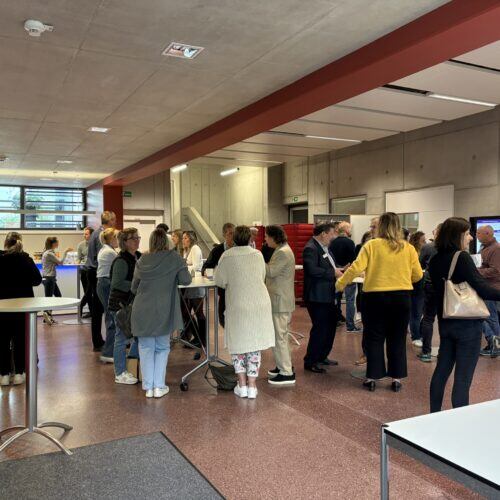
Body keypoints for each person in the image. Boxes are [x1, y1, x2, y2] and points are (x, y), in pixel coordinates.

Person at [336, 212, 423, 392]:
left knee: (374, 337)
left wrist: (340, 284)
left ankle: (372, 377)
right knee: (397, 338)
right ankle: (396, 378)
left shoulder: (371, 245)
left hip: (375, 298)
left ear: (381, 226)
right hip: (401, 298)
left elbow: (356, 268)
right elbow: (417, 275)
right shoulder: (408, 248)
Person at [428, 218, 500, 412]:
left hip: (446, 322)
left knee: (441, 371)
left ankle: (433, 414)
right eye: (467, 234)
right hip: (467, 326)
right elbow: (483, 289)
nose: (470, 238)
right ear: (457, 235)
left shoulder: (435, 259)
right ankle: (460, 418)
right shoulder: (462, 257)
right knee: (463, 378)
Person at [215, 225, 275, 399]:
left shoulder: (227, 255)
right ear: (250, 238)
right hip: (259, 303)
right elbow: (262, 275)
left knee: (238, 345)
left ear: (233, 239)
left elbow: (220, 280)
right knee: (254, 345)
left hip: (238, 304)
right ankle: (252, 387)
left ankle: (242, 385)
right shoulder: (258, 255)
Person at [131, 229, 192, 398]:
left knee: (145, 348)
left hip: (142, 309)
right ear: (167, 242)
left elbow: (134, 287)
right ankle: (159, 386)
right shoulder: (174, 258)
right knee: (162, 347)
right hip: (164, 308)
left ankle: (148, 388)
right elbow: (186, 280)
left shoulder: (142, 259)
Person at [0, 233, 42, 386]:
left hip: (2, 306)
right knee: (20, 339)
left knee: (3, 340)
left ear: (5, 243)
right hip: (22, 305)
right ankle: (19, 373)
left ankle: (4, 375)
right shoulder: (26, 259)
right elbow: (37, 280)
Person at [303, 223, 343, 374]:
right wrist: (333, 273)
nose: (334, 237)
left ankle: (322, 356)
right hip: (317, 297)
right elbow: (312, 270)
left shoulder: (325, 248)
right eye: (332, 233)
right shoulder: (311, 248)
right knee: (320, 329)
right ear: (323, 234)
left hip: (328, 295)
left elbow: (329, 266)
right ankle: (311, 361)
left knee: (330, 327)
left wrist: (340, 269)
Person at [108, 227, 141, 385]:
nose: (137, 240)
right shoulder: (121, 260)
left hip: (133, 304)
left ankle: (131, 365)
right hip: (120, 305)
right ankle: (120, 372)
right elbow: (117, 283)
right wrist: (138, 285)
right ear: (125, 242)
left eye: (137, 237)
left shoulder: (139, 257)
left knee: (138, 335)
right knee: (121, 338)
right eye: (133, 238)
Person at [265, 225, 297, 386]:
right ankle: (282, 365)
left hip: (280, 301)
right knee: (280, 336)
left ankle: (286, 372)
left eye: (267, 236)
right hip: (280, 300)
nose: (265, 239)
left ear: (273, 237)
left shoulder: (283, 252)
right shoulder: (281, 250)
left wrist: (256, 260)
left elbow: (271, 272)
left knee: (280, 337)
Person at [86, 211, 116, 351]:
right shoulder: (101, 236)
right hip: (97, 274)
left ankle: (98, 341)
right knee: (100, 309)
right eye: (114, 220)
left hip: (93, 272)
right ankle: (99, 342)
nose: (115, 222)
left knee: (97, 309)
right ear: (109, 221)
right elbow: (101, 259)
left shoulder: (96, 233)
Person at [202, 222, 235, 326]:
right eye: (230, 233)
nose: (233, 236)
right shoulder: (217, 250)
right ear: (224, 235)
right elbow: (206, 267)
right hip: (224, 290)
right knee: (223, 320)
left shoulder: (239, 249)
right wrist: (210, 272)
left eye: (234, 233)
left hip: (237, 290)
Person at [418, 224, 441, 362]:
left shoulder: (428, 247)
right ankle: (443, 352)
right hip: (446, 287)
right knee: (444, 320)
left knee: (428, 318)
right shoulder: (455, 248)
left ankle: (426, 352)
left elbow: (420, 264)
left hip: (430, 285)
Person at [330, 222, 359, 333]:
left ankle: (336, 320)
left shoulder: (332, 242)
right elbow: (353, 260)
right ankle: (350, 326)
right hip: (348, 273)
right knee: (350, 300)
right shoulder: (350, 242)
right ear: (347, 230)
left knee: (336, 298)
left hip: (336, 273)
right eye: (350, 229)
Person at [476, 225, 500, 357]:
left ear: (488, 233)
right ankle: (492, 344)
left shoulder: (496, 249)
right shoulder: (484, 248)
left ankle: (496, 346)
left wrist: (475, 271)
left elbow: (496, 271)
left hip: (492, 289)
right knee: (484, 317)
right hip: (485, 287)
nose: (476, 235)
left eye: (479, 233)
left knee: (491, 318)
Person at [96, 228, 119, 363]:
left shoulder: (105, 250)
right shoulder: (110, 252)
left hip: (103, 283)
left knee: (110, 317)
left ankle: (110, 350)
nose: (118, 240)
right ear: (111, 239)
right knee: (111, 319)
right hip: (106, 283)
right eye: (116, 237)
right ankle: (108, 352)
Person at [181, 231, 206, 348]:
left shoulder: (195, 248)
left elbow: (196, 267)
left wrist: (184, 267)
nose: (183, 240)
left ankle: (201, 340)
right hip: (190, 285)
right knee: (186, 312)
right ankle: (197, 337)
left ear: (191, 239)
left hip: (196, 285)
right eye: (183, 238)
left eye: (185, 238)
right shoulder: (187, 250)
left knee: (198, 313)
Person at [41, 236, 73, 325]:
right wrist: (66, 252)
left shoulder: (48, 252)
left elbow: (54, 263)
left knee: (57, 296)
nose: (58, 244)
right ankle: (47, 314)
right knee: (49, 299)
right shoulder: (49, 254)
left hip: (49, 278)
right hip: (49, 278)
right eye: (57, 242)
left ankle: (47, 315)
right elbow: (61, 262)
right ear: (54, 243)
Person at [354, 229, 373, 366]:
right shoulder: (366, 248)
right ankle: (367, 355)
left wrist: (340, 283)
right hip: (371, 292)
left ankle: (373, 360)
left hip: (377, 293)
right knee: (369, 328)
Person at [408, 231, 426, 347]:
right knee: (416, 313)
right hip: (415, 285)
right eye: (423, 241)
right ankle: (415, 336)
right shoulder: (412, 252)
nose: (425, 243)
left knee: (420, 312)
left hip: (421, 285)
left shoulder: (423, 252)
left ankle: (417, 333)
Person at [76, 226, 94, 318]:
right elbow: (78, 259)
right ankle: (91, 311)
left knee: (89, 291)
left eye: (86, 234)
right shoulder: (80, 245)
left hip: (93, 271)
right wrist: (78, 266)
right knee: (87, 292)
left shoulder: (96, 244)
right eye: (84, 234)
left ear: (92, 235)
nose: (84, 235)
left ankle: (81, 305)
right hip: (84, 271)